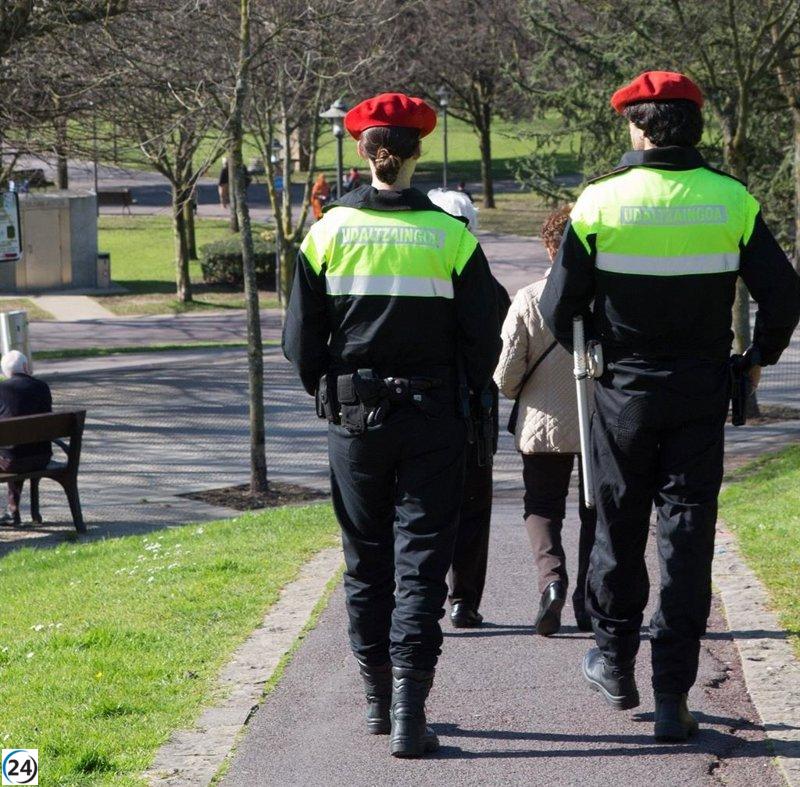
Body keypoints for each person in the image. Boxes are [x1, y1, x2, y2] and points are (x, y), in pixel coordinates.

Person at [539, 71, 800, 742]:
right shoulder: (732, 201)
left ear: (637, 125)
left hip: (621, 392)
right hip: (700, 392)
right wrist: (756, 358)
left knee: (616, 530)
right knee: (686, 542)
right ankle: (670, 696)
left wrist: (595, 331)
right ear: (693, 125)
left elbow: (555, 306)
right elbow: (783, 294)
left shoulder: (599, 202)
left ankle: (616, 662)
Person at [283, 92, 500, 758]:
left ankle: (377, 700)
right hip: (434, 417)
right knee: (422, 562)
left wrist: (331, 391)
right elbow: (484, 335)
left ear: (362, 150)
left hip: (356, 419)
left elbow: (299, 342)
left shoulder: (326, 232)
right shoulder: (451, 235)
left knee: (365, 560)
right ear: (417, 151)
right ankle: (411, 708)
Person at [494, 206, 597, 635]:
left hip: (544, 421)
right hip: (597, 421)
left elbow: (505, 375)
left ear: (548, 246)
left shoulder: (529, 298)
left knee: (542, 507)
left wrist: (523, 393)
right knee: (597, 511)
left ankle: (551, 582)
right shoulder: (605, 298)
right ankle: (591, 601)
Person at [426, 187, 509, 628]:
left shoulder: (419, 279)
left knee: (426, 508)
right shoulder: (490, 287)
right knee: (473, 509)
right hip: (475, 411)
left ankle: (426, 595)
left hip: (431, 408)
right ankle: (464, 599)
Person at [0, 351, 52, 525]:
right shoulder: (42, 387)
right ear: (25, 367)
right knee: (15, 450)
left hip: (12, 461)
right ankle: (14, 511)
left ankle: (13, 512)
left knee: (11, 453)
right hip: (42, 457)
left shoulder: (2, 390)